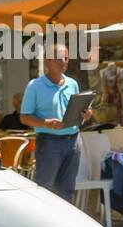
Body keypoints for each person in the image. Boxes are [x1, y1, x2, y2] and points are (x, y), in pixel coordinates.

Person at [21, 44, 91, 200]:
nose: (64, 62)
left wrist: (85, 115)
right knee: (44, 189)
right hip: (49, 142)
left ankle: (64, 223)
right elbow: (24, 117)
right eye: (59, 59)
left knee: (67, 189)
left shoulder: (72, 83)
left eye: (66, 58)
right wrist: (46, 123)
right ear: (48, 61)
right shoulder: (35, 86)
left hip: (73, 141)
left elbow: (77, 111)